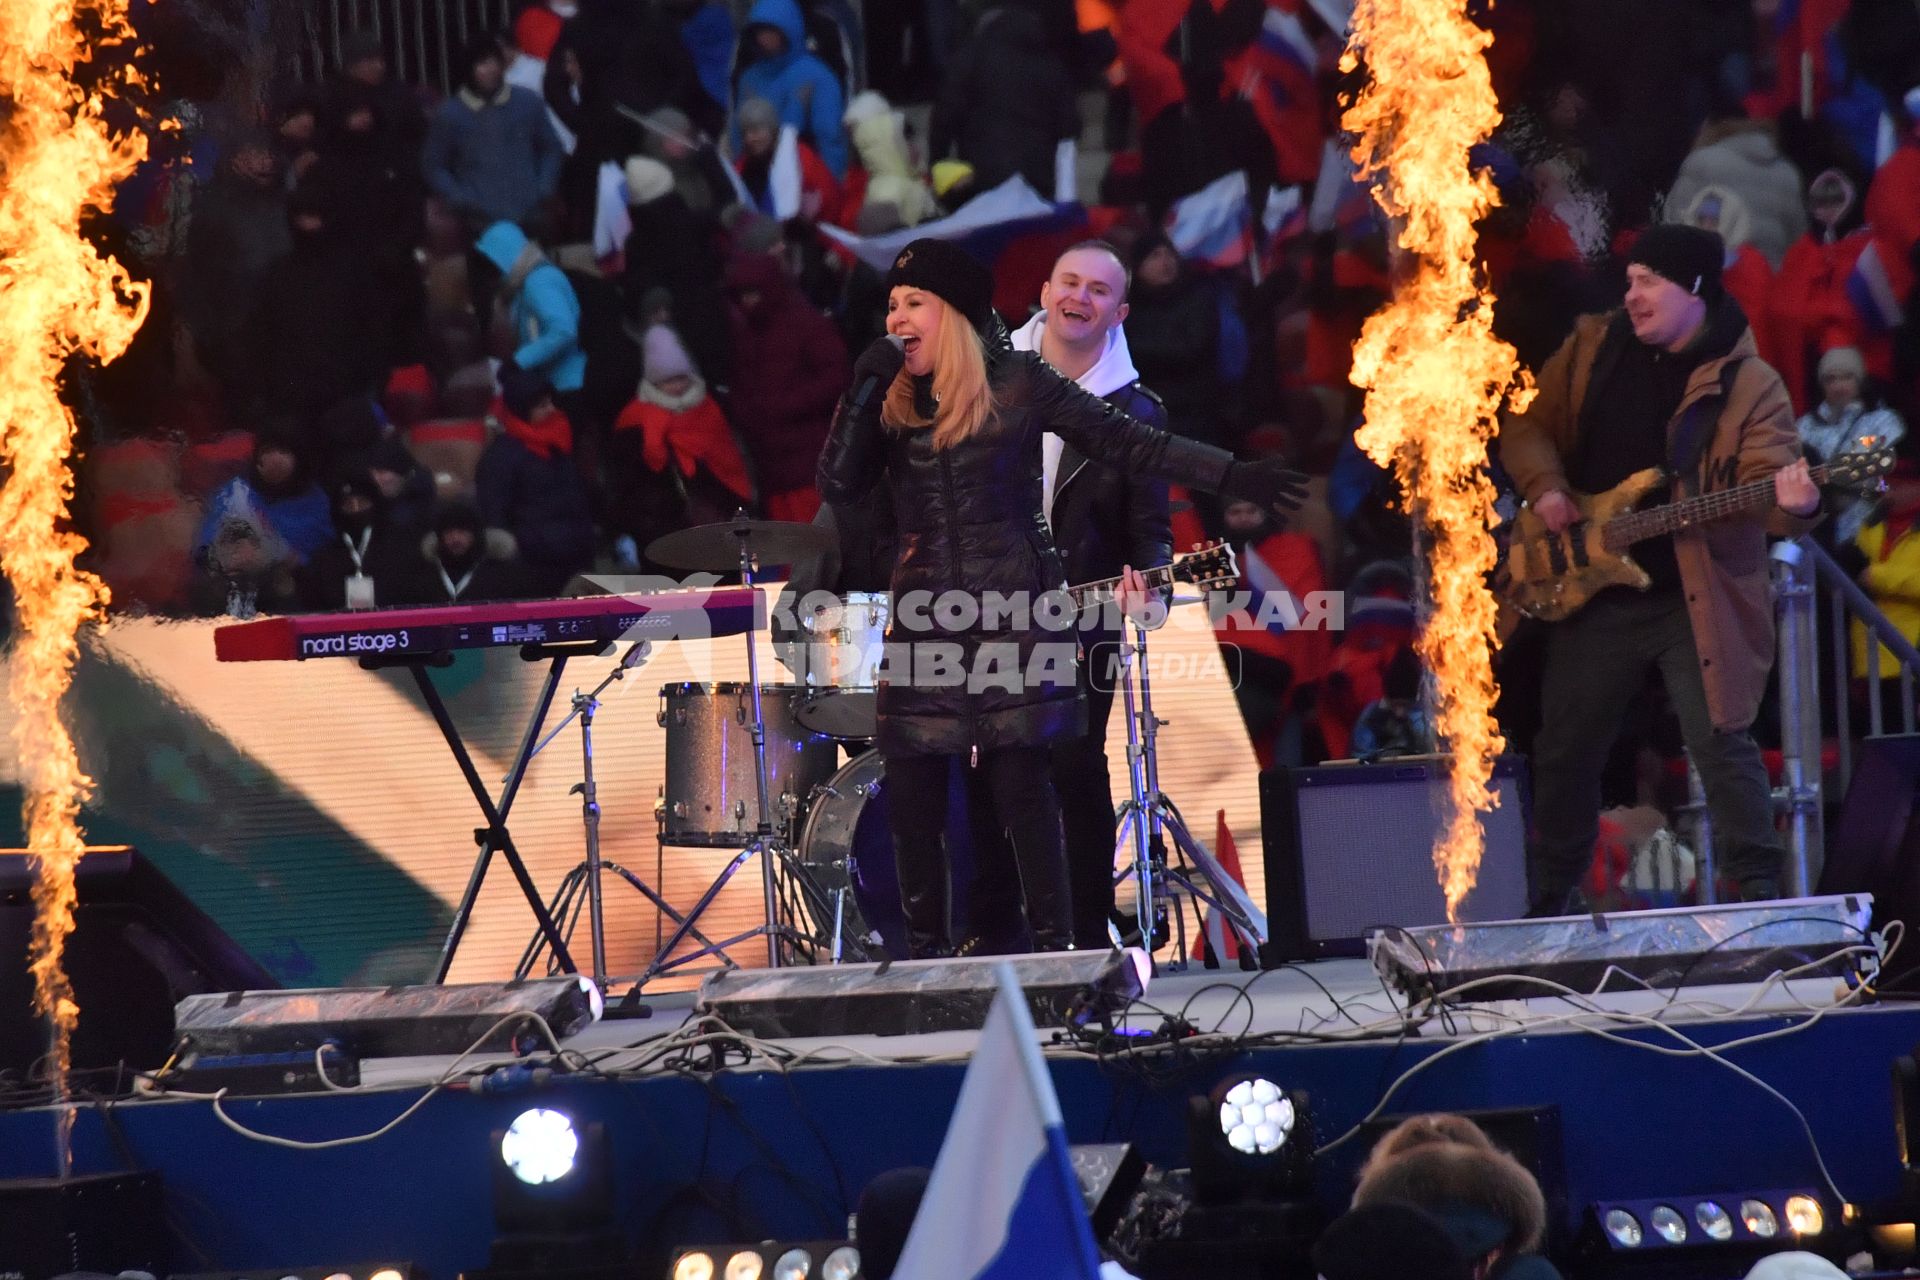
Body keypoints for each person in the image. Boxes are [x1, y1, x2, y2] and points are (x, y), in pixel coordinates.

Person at [817, 238, 1304, 957]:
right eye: (892, 305)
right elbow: (839, 485)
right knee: (915, 790)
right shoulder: (889, 396)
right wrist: (862, 390)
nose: (897, 318)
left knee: (1024, 786)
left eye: (913, 303)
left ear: (949, 312)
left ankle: (1057, 952)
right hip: (926, 616)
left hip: (1020, 610)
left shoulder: (1019, 379)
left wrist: (1230, 474)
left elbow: (1130, 443)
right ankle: (923, 962)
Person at [1498, 224, 1820, 913]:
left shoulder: (1750, 383)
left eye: (1650, 282)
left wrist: (1797, 502)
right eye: (1631, 280)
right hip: (1594, 591)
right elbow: (1524, 426)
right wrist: (1548, 488)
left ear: (1696, 290)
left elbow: (1772, 489)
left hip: (1694, 595)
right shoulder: (1591, 348)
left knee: (1720, 740)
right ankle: (1551, 896)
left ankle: (1759, 892)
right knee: (1566, 747)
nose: (1632, 295)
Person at [970, 240, 1172, 952]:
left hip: (1081, 622)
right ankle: (991, 931)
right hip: (977, 616)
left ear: (1118, 311)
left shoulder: (1137, 413)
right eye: (1069, 282)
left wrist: (1151, 587)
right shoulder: (983, 379)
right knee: (983, 765)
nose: (1078, 298)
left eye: (1097, 290)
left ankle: (1087, 931)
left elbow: (1150, 532)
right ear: (1046, 289)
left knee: (1075, 765)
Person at [422, 33, 564, 233]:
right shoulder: (450, 114)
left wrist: (543, 187)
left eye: (494, 61)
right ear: (468, 69)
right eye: (481, 64)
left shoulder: (527, 101)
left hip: (531, 215)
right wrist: (461, 197)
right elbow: (434, 165)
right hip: (480, 222)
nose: (491, 70)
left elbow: (551, 147)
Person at [476, 364, 597, 595]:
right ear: (523, 409)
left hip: (575, 556)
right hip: (532, 565)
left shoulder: (558, 442)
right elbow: (494, 512)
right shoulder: (501, 457)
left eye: (551, 402)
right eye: (542, 405)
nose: (551, 409)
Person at [1797, 345, 1906, 543]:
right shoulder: (1805, 425)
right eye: (1831, 379)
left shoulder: (1883, 421)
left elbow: (1888, 474)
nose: (1839, 386)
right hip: (1813, 528)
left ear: (1860, 381)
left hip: (1863, 529)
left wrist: (1826, 475)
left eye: (1847, 377)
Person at [733, 0, 850, 179]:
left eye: (771, 31)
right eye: (759, 31)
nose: (764, 38)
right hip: (758, 176)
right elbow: (738, 132)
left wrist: (831, 183)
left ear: (788, 30)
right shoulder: (750, 78)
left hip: (806, 174)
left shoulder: (816, 75)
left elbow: (830, 136)